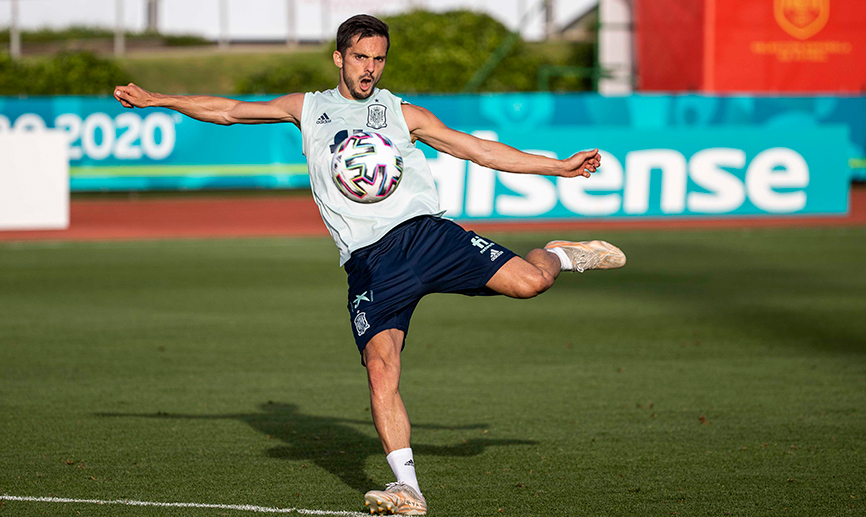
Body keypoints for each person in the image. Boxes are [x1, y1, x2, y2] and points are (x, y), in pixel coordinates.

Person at [113, 13, 625, 516]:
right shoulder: (308, 109)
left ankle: (559, 253)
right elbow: (227, 110)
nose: (369, 68)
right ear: (339, 57)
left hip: (426, 236)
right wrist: (160, 99)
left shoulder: (403, 114)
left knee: (532, 282)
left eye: (378, 59)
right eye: (360, 57)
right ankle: (408, 489)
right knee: (381, 370)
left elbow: (478, 151)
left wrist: (556, 166)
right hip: (369, 263)